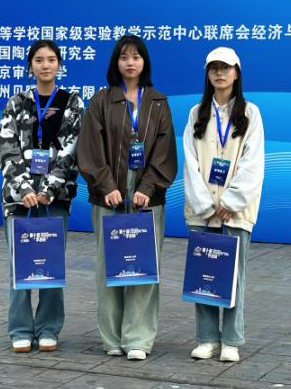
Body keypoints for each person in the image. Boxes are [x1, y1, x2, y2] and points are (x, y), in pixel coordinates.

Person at [78, 34, 178, 361]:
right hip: (109, 197)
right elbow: (90, 148)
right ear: (116, 63)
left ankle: (138, 338)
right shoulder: (101, 101)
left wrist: (147, 188)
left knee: (144, 266)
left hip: (147, 199)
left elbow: (165, 152)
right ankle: (111, 337)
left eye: (136, 57)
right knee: (109, 266)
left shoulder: (158, 102)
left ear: (144, 62)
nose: (130, 62)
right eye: (124, 57)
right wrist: (106, 186)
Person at [0, 39, 83, 353]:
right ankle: (20, 329)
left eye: (51, 60)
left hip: (54, 200)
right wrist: (25, 189)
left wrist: (48, 190)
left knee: (50, 264)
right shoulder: (17, 103)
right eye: (39, 60)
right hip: (19, 200)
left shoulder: (72, 102)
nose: (46, 65)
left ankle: (48, 328)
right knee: (20, 264)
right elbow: (6, 149)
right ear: (30, 66)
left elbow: (72, 150)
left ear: (59, 65)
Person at [182, 46, 265, 363]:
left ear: (236, 73)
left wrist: (231, 201)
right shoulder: (196, 113)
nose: (220, 73)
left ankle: (230, 340)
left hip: (235, 213)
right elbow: (190, 162)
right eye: (214, 68)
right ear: (207, 73)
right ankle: (206, 338)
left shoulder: (250, 113)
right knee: (203, 273)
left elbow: (253, 163)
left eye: (225, 68)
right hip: (202, 212)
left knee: (233, 276)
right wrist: (205, 204)